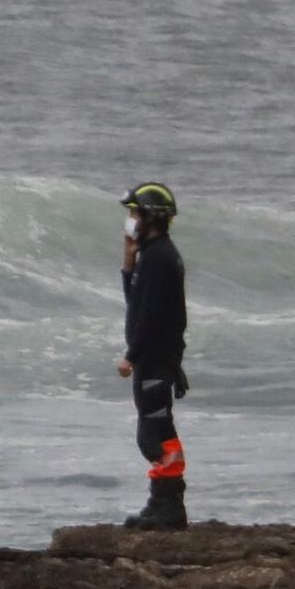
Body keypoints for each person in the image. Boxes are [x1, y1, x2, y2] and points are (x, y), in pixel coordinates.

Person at [116, 182, 190, 530]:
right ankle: (162, 501)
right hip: (153, 356)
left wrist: (131, 355)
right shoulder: (153, 254)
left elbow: (151, 315)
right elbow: (136, 303)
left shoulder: (160, 257)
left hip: (155, 357)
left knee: (155, 433)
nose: (130, 219)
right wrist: (128, 263)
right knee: (153, 429)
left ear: (150, 216)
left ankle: (169, 506)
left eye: (135, 212)